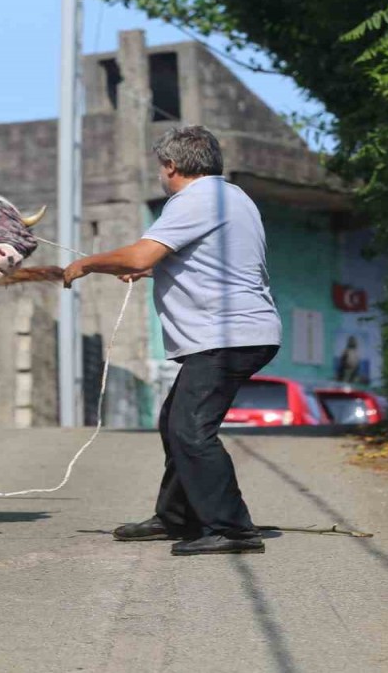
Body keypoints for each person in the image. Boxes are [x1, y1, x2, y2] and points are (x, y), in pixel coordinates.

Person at [63, 126, 282, 556]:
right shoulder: (233, 197)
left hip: (228, 335)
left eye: (160, 168)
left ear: (171, 165)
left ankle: (233, 530)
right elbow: (209, 260)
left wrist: (86, 263)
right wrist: (153, 271)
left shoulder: (195, 199)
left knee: (191, 429)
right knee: (175, 422)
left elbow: (141, 253)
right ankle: (177, 517)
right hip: (237, 332)